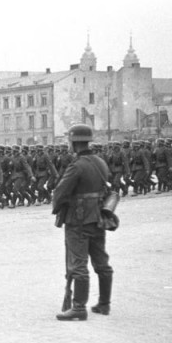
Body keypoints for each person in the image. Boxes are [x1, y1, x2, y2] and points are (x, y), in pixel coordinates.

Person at [52, 124, 114, 321]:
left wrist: (59, 207)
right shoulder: (100, 162)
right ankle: (104, 304)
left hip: (78, 219)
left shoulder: (77, 165)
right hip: (99, 217)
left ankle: (79, 307)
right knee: (101, 262)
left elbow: (60, 193)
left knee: (78, 264)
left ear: (74, 143)